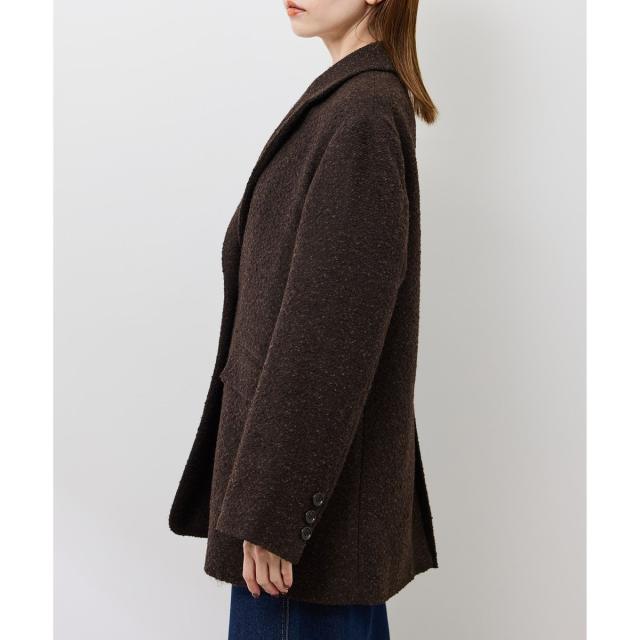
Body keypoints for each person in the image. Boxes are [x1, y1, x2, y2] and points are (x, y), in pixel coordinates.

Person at [169, 1, 439, 637]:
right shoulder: (350, 105)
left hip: (299, 543)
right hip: (311, 525)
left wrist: (274, 513)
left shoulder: (361, 117)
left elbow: (328, 341)